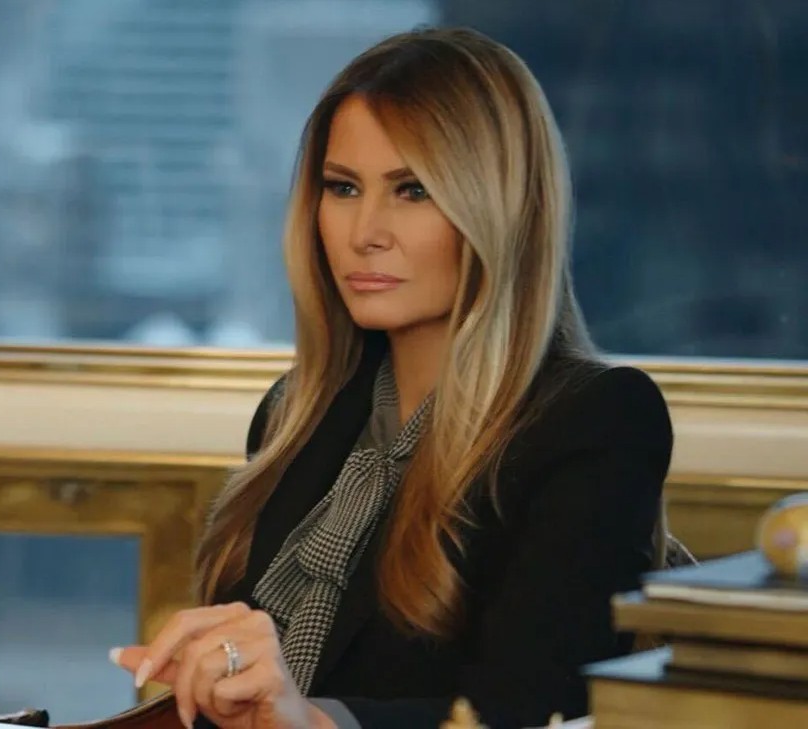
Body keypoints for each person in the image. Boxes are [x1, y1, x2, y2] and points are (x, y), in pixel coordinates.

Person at [110, 26, 673, 729]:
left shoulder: (597, 421)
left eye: (412, 190)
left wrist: (316, 720)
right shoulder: (295, 415)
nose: (364, 230)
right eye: (342, 187)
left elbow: (535, 711)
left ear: (497, 209)